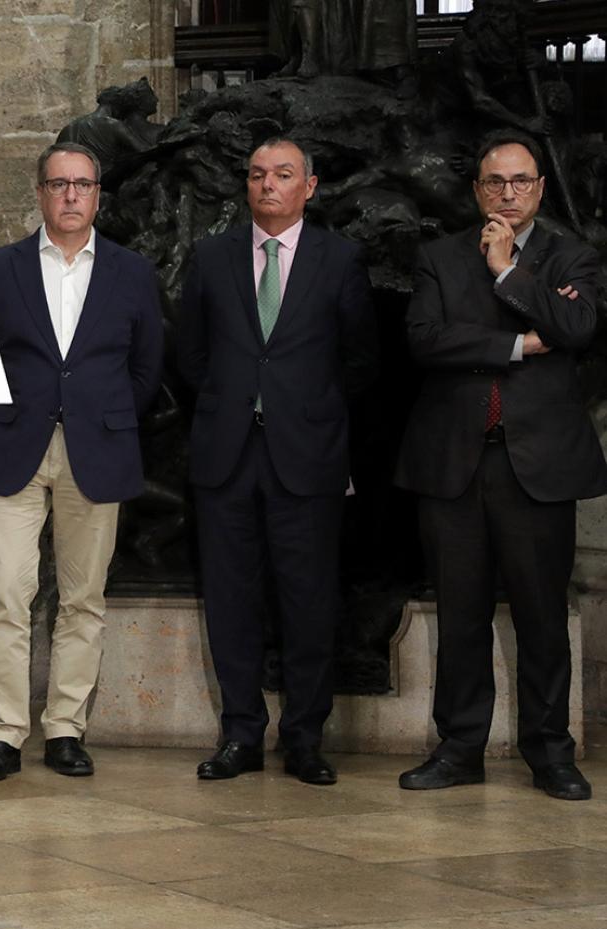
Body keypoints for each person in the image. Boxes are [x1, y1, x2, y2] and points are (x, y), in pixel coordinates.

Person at [393, 132, 604, 801]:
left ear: (540, 185)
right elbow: (426, 341)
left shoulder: (572, 254)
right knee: (461, 615)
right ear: (476, 188)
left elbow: (576, 331)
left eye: (520, 181)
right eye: (494, 182)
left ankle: (550, 752)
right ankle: (459, 747)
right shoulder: (438, 257)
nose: (507, 194)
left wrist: (510, 273)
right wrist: (519, 342)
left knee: (543, 616)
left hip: (537, 466)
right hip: (455, 463)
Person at [177, 138, 377, 786]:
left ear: (309, 187)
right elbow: (190, 356)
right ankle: (240, 734)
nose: (268, 185)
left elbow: (360, 360)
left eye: (283, 175)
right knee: (231, 600)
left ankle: (304, 738)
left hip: (307, 457)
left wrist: (306, 410)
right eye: (259, 174)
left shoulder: (339, 259)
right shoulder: (210, 257)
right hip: (228, 456)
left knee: (308, 600)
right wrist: (234, 403)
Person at [0, 143, 164, 782]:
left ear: (98, 194)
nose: (71, 196)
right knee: (5, 594)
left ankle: (65, 729)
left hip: (98, 448)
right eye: (59, 185)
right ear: (41, 194)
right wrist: (12, 412)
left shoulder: (132, 271)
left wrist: (99, 414)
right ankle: (3, 733)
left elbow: (146, 368)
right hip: (13, 444)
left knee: (83, 598)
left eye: (82, 184)